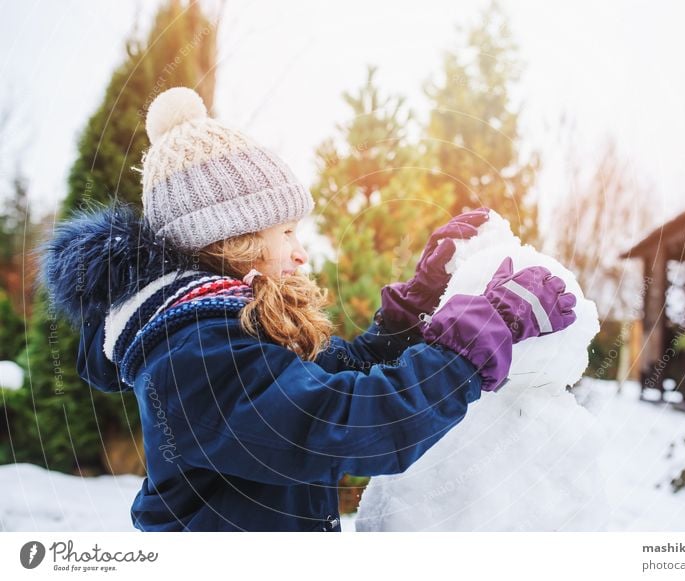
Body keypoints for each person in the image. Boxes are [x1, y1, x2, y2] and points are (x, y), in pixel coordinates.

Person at [38, 87, 577, 532]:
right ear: (235, 239)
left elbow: (337, 372)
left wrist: (418, 299)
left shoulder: (227, 326)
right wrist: (484, 333)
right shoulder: (193, 357)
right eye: (287, 231)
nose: (301, 251)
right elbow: (349, 422)